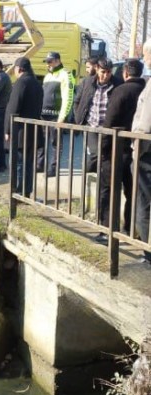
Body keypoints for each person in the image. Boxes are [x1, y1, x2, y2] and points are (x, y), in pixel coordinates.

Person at [97, 58, 146, 242]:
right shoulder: (145, 90)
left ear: (125, 73)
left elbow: (110, 121)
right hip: (138, 149)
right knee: (132, 191)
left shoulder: (121, 91)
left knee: (109, 189)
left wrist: (104, 147)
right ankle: (130, 228)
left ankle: (107, 229)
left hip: (117, 149)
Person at [74, 57, 122, 174]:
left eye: (108, 72)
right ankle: (88, 171)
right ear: (97, 69)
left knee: (106, 155)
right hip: (92, 125)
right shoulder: (87, 82)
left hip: (108, 127)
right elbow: (77, 101)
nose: (105, 75)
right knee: (96, 152)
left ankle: (98, 176)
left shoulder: (118, 84)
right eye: (103, 72)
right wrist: (78, 117)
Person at [4, 57, 44, 196]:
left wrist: (8, 129)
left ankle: (17, 193)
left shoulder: (21, 83)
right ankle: (26, 192)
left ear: (18, 69)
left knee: (18, 163)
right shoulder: (36, 83)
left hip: (20, 131)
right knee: (28, 164)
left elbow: (13, 108)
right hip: (33, 130)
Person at [131, 38, 151, 265]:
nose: (145, 58)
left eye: (146, 54)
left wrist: (137, 147)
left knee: (143, 202)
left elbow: (145, 122)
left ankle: (148, 255)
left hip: (146, 153)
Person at [40, 51, 76, 177]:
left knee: (55, 143)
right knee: (41, 141)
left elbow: (68, 97)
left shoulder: (66, 74)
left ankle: (53, 168)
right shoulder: (47, 76)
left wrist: (62, 117)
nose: (48, 65)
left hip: (56, 115)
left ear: (57, 61)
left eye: (50, 62)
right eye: (47, 62)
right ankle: (40, 164)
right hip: (43, 114)